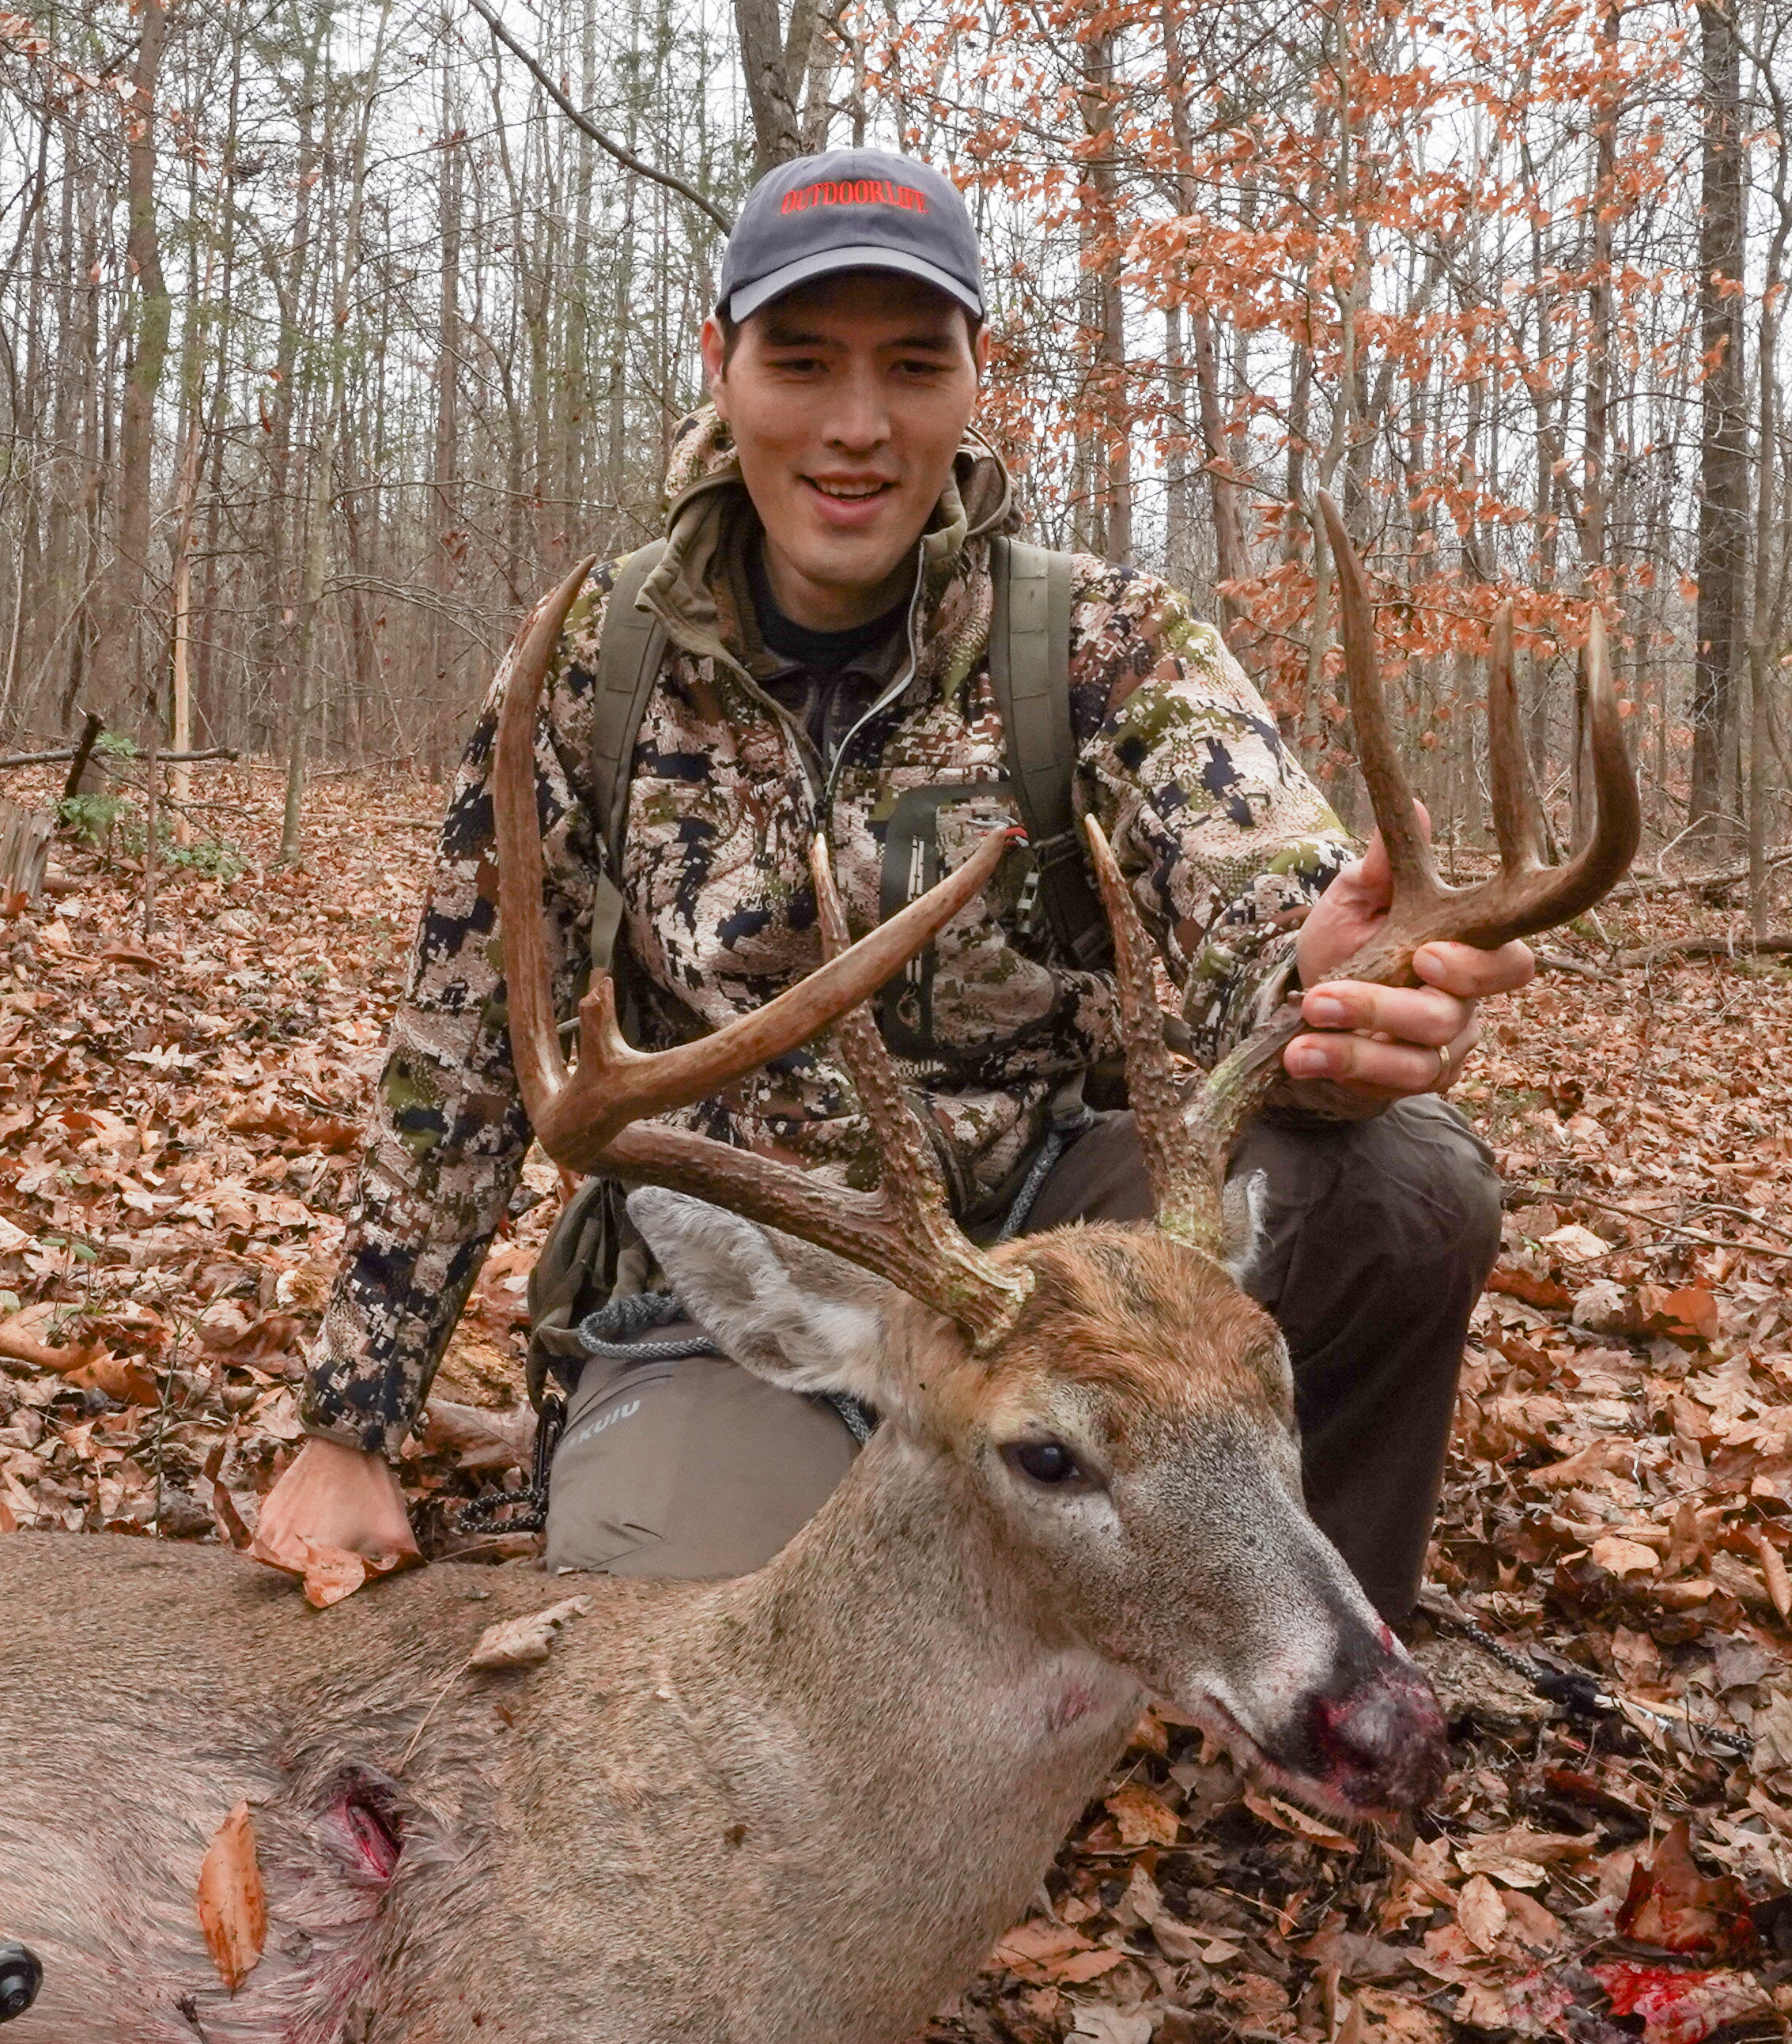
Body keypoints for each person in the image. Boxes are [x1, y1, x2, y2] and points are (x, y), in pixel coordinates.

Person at [250, 147, 1530, 1627]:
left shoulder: (1101, 648)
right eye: (802, 362)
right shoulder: (595, 666)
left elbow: (1270, 915)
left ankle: (1293, 1653)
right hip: (753, 1307)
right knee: (674, 1696)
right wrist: (353, 1422)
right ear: (720, 361)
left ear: (979, 374)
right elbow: (461, 1052)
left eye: (914, 367)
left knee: (1402, 1184)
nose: (856, 429)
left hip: (1056, 1277)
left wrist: (1329, 990)